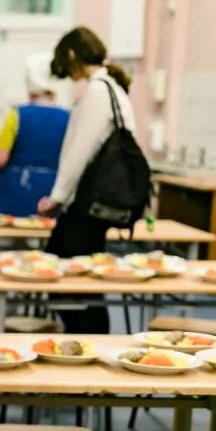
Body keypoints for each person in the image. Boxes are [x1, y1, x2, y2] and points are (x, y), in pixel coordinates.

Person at [38, 25, 136, 333]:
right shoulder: (114, 89)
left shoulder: (97, 91)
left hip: (86, 204)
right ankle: (83, 349)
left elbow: (80, 151)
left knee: (71, 281)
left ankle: (88, 351)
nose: (67, 75)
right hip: (98, 202)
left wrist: (57, 196)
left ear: (71, 55)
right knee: (81, 282)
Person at [0, 53, 70, 216]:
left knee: (7, 238)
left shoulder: (17, 115)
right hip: (50, 195)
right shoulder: (69, 118)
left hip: (14, 193)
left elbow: (0, 158)